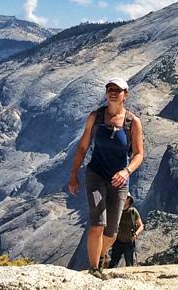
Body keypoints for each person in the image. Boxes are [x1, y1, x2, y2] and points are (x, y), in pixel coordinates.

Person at [67, 76, 144, 278]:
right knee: (97, 224)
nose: (112, 92)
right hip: (96, 175)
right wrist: (74, 174)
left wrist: (126, 171)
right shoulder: (96, 117)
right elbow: (83, 146)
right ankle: (94, 269)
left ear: (125, 95)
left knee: (111, 232)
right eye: (109, 88)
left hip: (119, 181)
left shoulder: (132, 122)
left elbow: (138, 154)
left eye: (117, 90)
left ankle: (101, 255)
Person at [108, 195, 143, 268]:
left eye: (126, 197)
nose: (124, 198)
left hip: (129, 242)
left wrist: (136, 234)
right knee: (113, 264)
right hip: (117, 241)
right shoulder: (116, 210)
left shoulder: (133, 212)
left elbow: (141, 225)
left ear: (129, 200)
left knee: (129, 264)